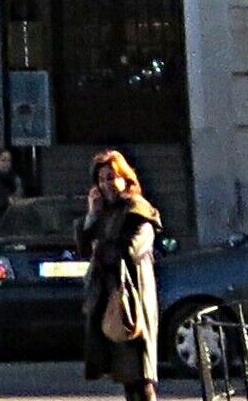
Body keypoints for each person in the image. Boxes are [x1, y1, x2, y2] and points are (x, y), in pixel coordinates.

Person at [81, 149, 162, 401]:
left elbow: (132, 248)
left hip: (133, 299)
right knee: (127, 375)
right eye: (102, 179)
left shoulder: (138, 209)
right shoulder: (106, 211)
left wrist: (102, 248)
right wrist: (92, 215)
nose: (107, 184)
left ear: (125, 178)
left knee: (141, 374)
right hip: (111, 298)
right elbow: (85, 248)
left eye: (112, 177)